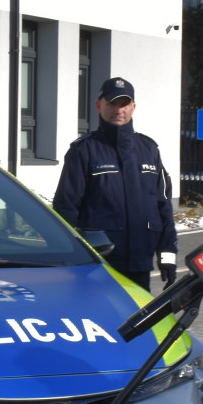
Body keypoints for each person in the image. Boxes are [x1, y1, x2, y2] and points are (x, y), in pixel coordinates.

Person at [53, 77, 178, 292]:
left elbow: (163, 206)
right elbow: (66, 208)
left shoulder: (149, 150)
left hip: (140, 263)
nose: (118, 110)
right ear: (98, 105)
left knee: (138, 314)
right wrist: (72, 258)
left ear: (133, 107)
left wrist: (167, 255)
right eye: (112, 103)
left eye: (124, 103)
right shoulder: (84, 150)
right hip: (98, 266)